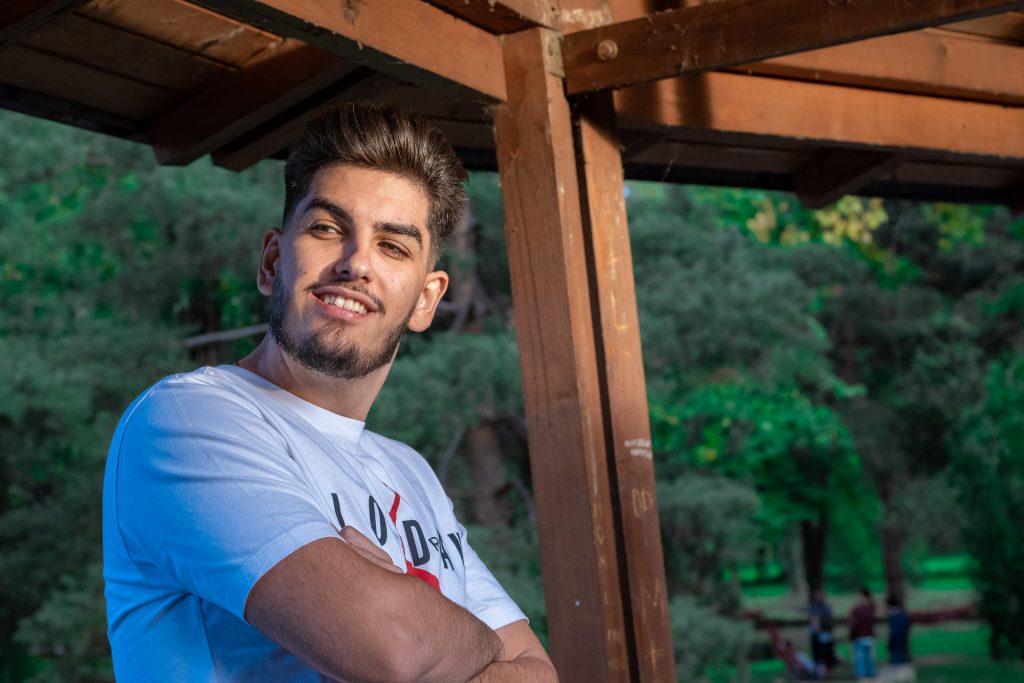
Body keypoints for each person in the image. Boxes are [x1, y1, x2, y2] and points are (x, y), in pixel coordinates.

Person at [102, 103, 558, 682]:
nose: (356, 263)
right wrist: (479, 641)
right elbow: (394, 649)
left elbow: (541, 674)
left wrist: (415, 613)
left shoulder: (410, 472)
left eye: (393, 246)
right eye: (327, 228)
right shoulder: (187, 419)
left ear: (426, 300)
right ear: (273, 261)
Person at [849, 586, 878, 680]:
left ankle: (862, 676)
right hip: (869, 636)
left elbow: (854, 625)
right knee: (870, 657)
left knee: (860, 658)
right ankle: (871, 675)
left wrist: (851, 635)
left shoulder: (856, 610)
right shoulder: (871, 608)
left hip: (859, 636)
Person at [808, 589, 837, 673]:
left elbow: (829, 622)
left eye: (819, 595)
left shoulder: (826, 608)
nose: (818, 597)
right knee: (816, 652)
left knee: (826, 652)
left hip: (824, 633)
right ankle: (818, 668)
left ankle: (828, 667)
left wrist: (822, 627)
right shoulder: (813, 607)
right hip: (816, 635)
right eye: (816, 595)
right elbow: (812, 619)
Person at [886, 593, 913, 681]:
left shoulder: (894, 616)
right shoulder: (902, 615)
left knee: (896, 664)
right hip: (903, 642)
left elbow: (893, 632)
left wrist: (889, 642)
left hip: (896, 643)